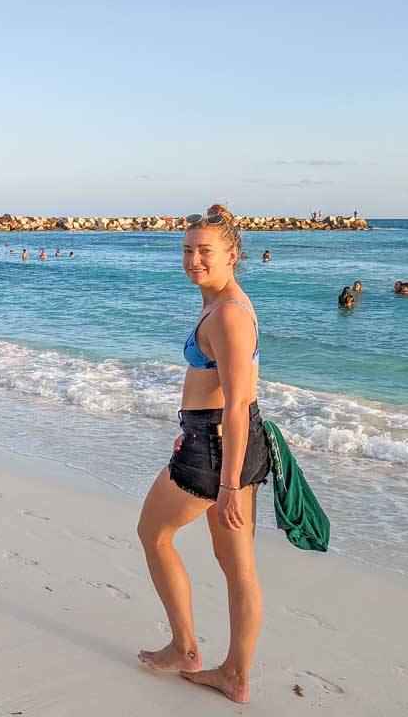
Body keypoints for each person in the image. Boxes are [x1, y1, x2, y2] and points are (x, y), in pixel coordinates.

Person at [136, 205, 268, 705]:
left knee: (154, 533)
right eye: (188, 250)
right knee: (237, 565)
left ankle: (184, 648)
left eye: (205, 251)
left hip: (217, 449)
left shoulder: (229, 313)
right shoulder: (221, 303)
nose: (194, 260)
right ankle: (234, 675)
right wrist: (191, 428)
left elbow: (236, 403)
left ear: (232, 255)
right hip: (223, 441)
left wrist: (228, 483)